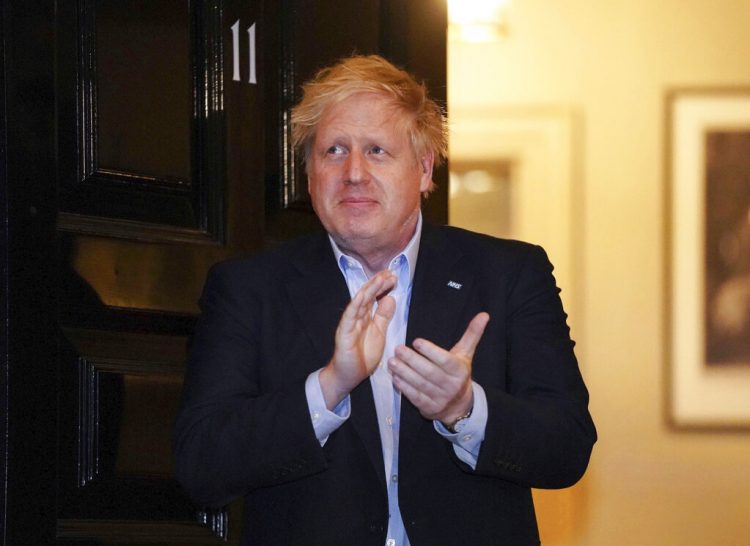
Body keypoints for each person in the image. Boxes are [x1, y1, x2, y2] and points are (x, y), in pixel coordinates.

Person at [174, 54, 596, 546]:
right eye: (333, 151)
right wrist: (329, 387)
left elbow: (567, 446)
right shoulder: (248, 289)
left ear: (423, 169)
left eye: (376, 150)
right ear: (309, 174)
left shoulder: (509, 275)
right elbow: (200, 465)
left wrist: (464, 408)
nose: (353, 172)